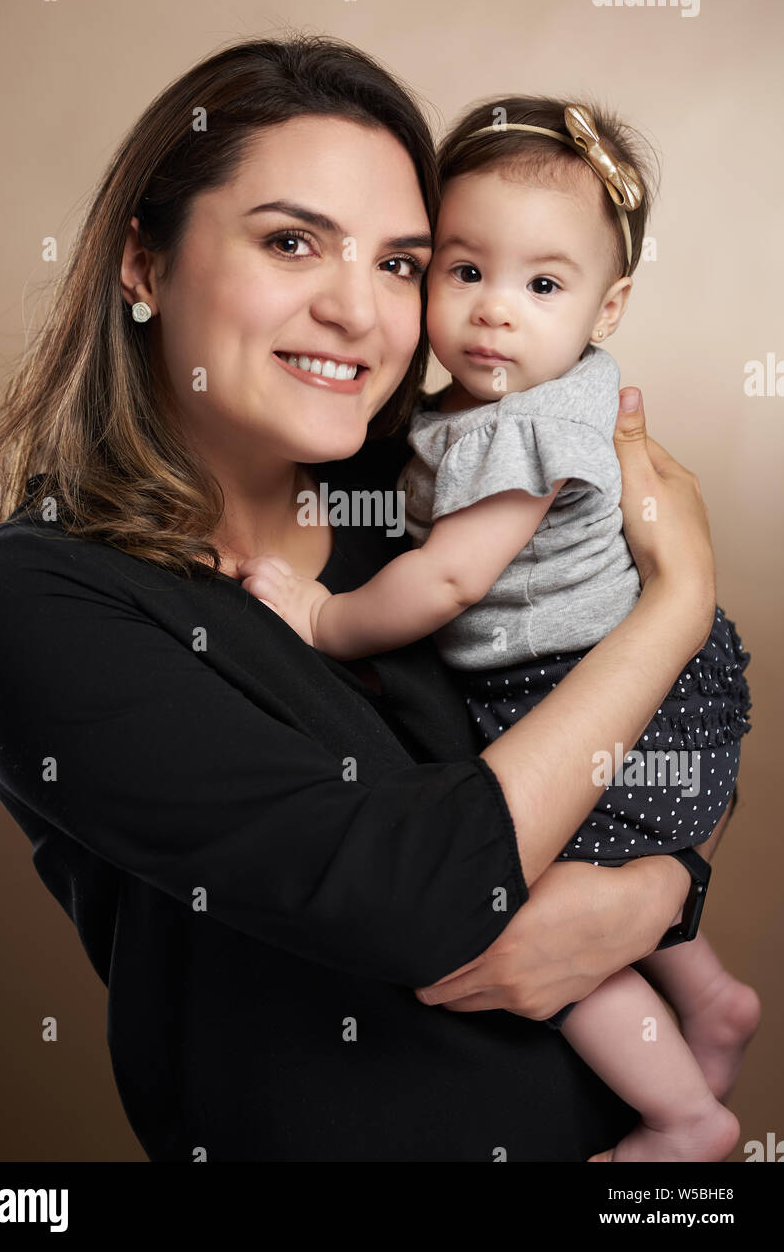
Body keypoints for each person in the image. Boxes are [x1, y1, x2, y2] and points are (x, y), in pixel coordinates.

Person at [0, 35, 757, 1163]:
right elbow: (417, 895)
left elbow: (665, 727)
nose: (360, 314)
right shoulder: (39, 596)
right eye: (291, 243)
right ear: (142, 261)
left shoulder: (425, 488)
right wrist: (680, 600)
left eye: (401, 264)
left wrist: (662, 885)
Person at [238, 95, 758, 1161]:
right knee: (610, 890)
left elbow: (445, 582)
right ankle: (709, 995)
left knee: (530, 912)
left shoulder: (529, 431)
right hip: (656, 682)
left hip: (601, 691)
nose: (494, 313)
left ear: (607, 309)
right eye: (463, 272)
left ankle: (684, 1116)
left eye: (542, 285)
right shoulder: (491, 404)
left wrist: (326, 618)